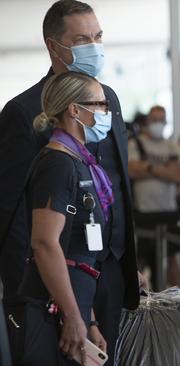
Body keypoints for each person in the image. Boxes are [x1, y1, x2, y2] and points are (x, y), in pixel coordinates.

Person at [0, 2, 139, 364]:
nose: (94, 47)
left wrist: (127, 259)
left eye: (97, 37)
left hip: (108, 269)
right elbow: (10, 209)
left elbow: (118, 187)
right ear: (54, 46)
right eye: (81, 39)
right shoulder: (24, 112)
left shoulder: (108, 100)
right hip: (55, 275)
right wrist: (27, 290)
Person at [15, 71, 112, 363]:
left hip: (74, 299)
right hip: (52, 308)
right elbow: (45, 244)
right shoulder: (57, 164)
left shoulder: (79, 162)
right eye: (100, 104)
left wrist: (89, 319)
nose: (106, 112)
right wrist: (73, 316)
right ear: (74, 109)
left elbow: (77, 251)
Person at [128, 105, 180, 286]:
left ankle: (173, 300)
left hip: (168, 211)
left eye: (162, 120)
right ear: (147, 121)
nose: (158, 123)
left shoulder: (172, 146)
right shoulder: (135, 144)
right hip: (144, 211)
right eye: (154, 120)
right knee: (140, 260)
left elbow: (177, 174)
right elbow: (132, 170)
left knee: (172, 259)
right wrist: (163, 170)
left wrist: (149, 167)